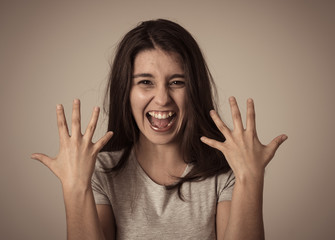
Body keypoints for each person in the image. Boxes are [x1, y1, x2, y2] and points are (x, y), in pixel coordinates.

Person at [31, 19, 287, 240]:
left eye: (177, 82)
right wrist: (76, 188)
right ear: (126, 92)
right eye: (145, 82)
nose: (162, 98)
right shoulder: (100, 171)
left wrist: (250, 178)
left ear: (194, 89)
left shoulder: (225, 172)